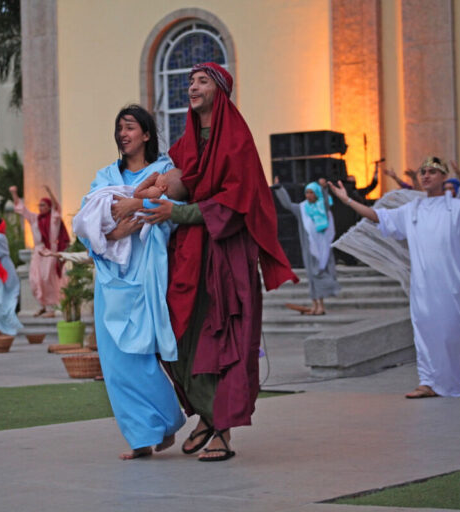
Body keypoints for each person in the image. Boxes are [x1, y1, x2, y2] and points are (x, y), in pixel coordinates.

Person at [132, 63, 297, 461]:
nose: (192, 86)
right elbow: (174, 182)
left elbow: (236, 204)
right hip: (189, 255)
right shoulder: (187, 143)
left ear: (220, 90)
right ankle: (207, 413)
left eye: (201, 81)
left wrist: (178, 213)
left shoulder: (237, 140)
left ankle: (222, 428)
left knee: (224, 342)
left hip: (227, 255)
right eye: (190, 81)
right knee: (182, 335)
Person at [328, 156, 460, 398]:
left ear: (443, 177)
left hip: (453, 283)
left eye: (432, 171)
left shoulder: (456, 208)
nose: (426, 175)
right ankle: (428, 382)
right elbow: (378, 217)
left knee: (454, 331)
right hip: (423, 284)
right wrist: (347, 200)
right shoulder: (412, 210)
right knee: (425, 330)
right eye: (423, 172)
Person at [74, 104, 186, 460]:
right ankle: (140, 437)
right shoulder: (105, 174)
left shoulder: (163, 169)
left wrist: (132, 204)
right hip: (110, 274)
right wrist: (114, 226)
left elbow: (169, 205)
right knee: (113, 357)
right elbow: (87, 217)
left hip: (147, 270)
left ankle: (163, 422)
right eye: (120, 128)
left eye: (130, 127)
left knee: (140, 351)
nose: (123, 134)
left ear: (147, 134)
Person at [274, 179, 340, 315]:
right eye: (307, 192)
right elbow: (287, 205)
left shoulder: (323, 207)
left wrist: (324, 189)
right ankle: (315, 305)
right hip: (309, 249)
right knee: (311, 277)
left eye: (311, 192)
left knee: (319, 275)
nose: (308, 195)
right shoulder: (302, 209)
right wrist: (279, 188)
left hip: (322, 250)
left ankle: (321, 305)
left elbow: (326, 203)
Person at [9, 185, 70, 317]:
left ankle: (51, 308)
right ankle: (43, 305)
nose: (40, 207)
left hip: (50, 250)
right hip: (38, 250)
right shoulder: (35, 218)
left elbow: (56, 207)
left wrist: (49, 192)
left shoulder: (54, 218)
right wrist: (14, 193)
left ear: (48, 206)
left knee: (47, 277)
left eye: (43, 205)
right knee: (34, 279)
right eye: (39, 205)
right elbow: (21, 208)